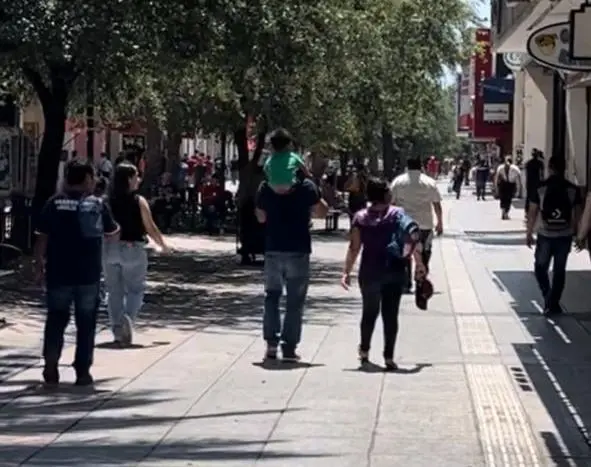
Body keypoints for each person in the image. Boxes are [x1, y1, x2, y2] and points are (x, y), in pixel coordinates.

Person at [34, 159, 120, 386]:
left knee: (56, 319)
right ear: (88, 179)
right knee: (86, 323)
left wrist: (38, 265)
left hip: (58, 271)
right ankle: (83, 371)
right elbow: (112, 232)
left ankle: (51, 364)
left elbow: (42, 236)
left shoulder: (54, 203)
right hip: (88, 274)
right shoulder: (98, 205)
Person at [341, 178, 426, 370]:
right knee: (390, 314)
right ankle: (388, 357)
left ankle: (364, 352)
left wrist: (346, 271)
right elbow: (413, 237)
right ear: (387, 194)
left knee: (369, 313)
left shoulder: (360, 217)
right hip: (394, 270)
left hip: (369, 271)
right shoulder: (398, 214)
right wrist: (419, 263)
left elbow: (354, 247)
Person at [255, 173, 328, 361]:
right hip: (298, 248)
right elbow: (321, 211)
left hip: (273, 248)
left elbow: (261, 217)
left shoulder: (266, 186)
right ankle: (289, 347)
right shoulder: (306, 186)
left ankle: (271, 344)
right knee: (295, 300)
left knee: (272, 296)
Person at [104, 163, 170, 347]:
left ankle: (117, 330)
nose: (138, 180)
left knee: (113, 291)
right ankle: (128, 318)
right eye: (135, 176)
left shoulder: (105, 201)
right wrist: (162, 245)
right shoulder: (138, 201)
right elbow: (150, 227)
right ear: (128, 180)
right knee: (135, 289)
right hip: (133, 248)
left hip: (109, 249)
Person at [526, 156, 581, 316]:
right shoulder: (572, 189)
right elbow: (577, 214)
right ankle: (553, 302)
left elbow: (533, 211)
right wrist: (577, 233)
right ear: (564, 168)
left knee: (540, 268)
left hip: (545, 234)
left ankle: (548, 298)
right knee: (559, 271)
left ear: (549, 168)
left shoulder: (540, 187)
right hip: (565, 235)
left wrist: (529, 232)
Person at [390, 157, 443, 293]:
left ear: (407, 167)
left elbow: (392, 203)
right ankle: (421, 277)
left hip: (404, 224)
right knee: (425, 252)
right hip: (425, 224)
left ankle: (405, 283)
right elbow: (436, 204)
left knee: (405, 253)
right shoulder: (430, 182)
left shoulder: (398, 182)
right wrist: (440, 223)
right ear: (421, 167)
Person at [264, 128, 311, 193]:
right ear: (288, 144)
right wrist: (310, 175)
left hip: (273, 187)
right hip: (289, 186)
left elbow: (266, 170)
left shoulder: (270, 158)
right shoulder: (293, 156)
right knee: (309, 183)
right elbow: (305, 171)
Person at [525, 149, 545, 218]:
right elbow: (541, 174)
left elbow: (526, 174)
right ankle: (536, 212)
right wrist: (542, 182)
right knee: (537, 198)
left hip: (530, 182)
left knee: (529, 197)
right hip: (537, 182)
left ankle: (527, 212)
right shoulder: (540, 163)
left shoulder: (528, 163)